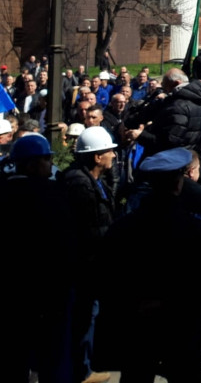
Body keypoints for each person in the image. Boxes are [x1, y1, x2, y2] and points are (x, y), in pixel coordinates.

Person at [101, 148, 201, 383]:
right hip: (182, 323)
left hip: (139, 324)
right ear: (179, 183)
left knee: (137, 374)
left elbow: (108, 277)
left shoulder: (123, 229)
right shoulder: (197, 229)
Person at [1, 134, 77, 383]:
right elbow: (65, 243)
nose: (49, 164)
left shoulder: (5, 191)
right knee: (52, 358)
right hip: (49, 291)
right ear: (33, 163)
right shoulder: (51, 194)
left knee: (14, 355)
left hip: (13, 291)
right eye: (46, 159)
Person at [62, 127, 117, 383]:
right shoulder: (80, 184)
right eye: (109, 151)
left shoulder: (91, 180)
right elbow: (87, 231)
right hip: (84, 267)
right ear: (96, 157)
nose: (114, 156)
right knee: (83, 316)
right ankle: (80, 372)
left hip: (90, 265)